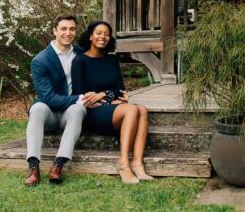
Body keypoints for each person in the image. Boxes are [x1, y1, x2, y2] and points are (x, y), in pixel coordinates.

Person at [73, 20, 154, 184]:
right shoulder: (79, 61)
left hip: (111, 108)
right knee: (131, 110)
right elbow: (81, 95)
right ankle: (123, 164)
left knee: (143, 110)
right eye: (98, 33)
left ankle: (137, 163)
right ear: (90, 36)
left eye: (107, 34)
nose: (103, 37)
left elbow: (120, 90)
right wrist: (109, 98)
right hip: (92, 113)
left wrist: (103, 94)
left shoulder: (112, 60)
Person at [23, 14, 95, 186]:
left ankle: (58, 165)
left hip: (70, 113)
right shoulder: (40, 60)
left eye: (72, 29)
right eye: (63, 29)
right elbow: (48, 98)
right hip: (49, 112)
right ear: (54, 30)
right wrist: (79, 98)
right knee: (37, 109)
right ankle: (34, 166)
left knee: (78, 110)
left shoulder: (81, 54)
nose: (68, 33)